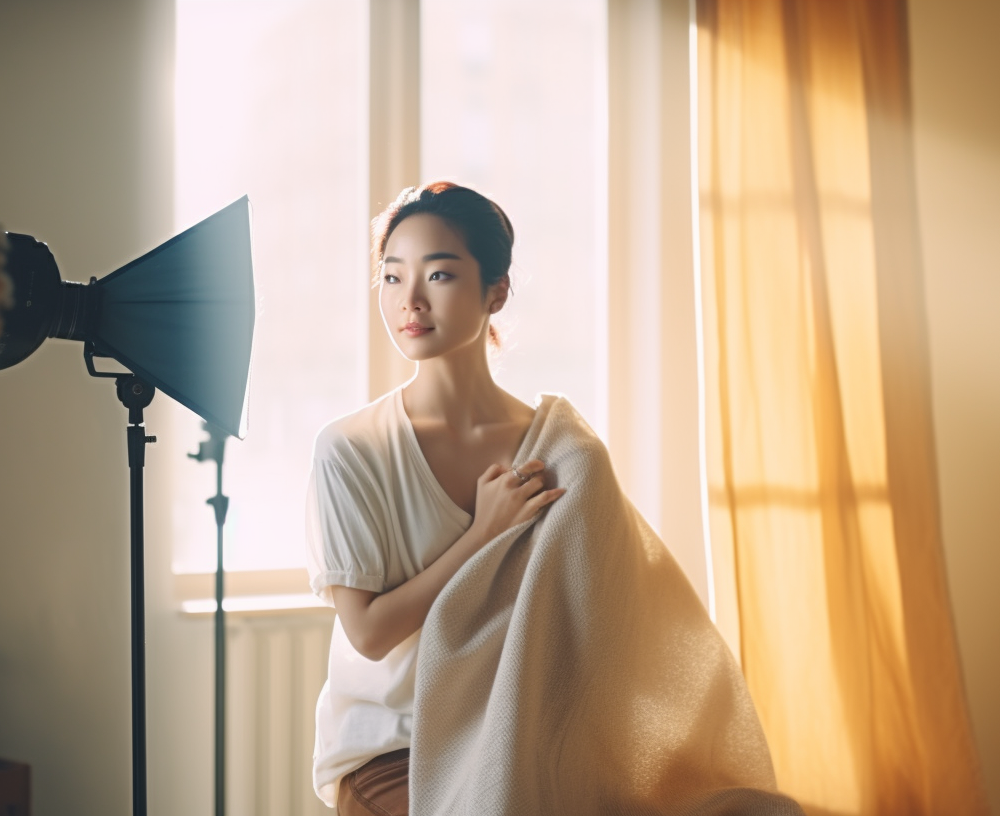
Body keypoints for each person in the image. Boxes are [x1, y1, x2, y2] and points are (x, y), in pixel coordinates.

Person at [305, 182, 798, 816]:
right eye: (392, 277)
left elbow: (606, 619)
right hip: (398, 747)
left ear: (496, 291)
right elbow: (369, 634)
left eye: (440, 274)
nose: (412, 301)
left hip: (530, 732)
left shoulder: (562, 450)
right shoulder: (351, 449)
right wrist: (483, 535)